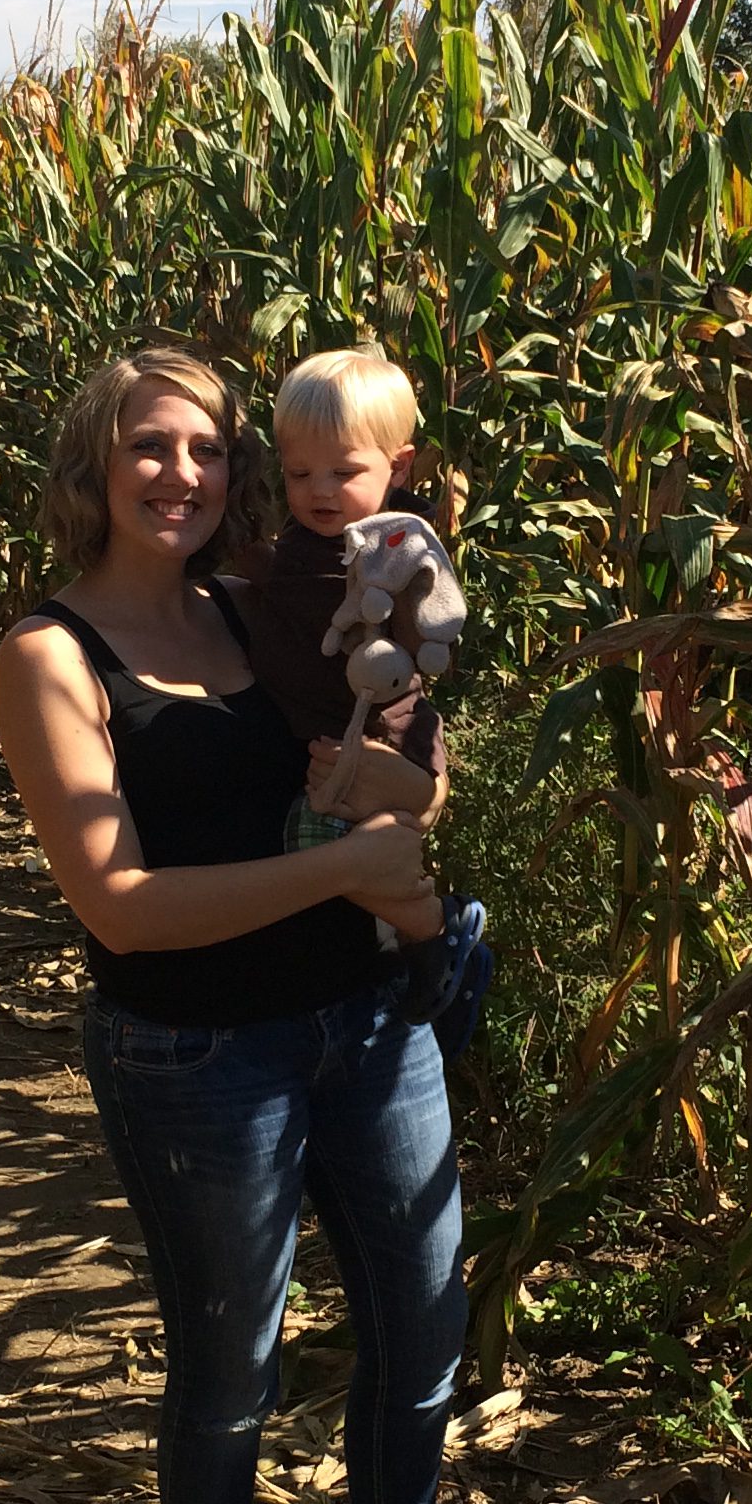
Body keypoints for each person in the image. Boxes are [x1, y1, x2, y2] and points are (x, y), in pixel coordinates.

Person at [0, 344, 540, 1504]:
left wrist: (393, 807)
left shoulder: (266, 596)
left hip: (367, 1026)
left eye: (209, 450)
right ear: (95, 467)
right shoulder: (52, 654)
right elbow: (121, 906)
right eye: (149, 448)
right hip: (197, 1055)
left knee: (421, 1331)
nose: (184, 476)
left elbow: (412, 746)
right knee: (231, 1363)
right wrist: (361, 875)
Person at [229, 347, 492, 1047]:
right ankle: (416, 941)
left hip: (384, 730)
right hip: (330, 733)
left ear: (397, 468)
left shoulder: (392, 547)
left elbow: (431, 631)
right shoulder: (311, 536)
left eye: (343, 473)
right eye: (297, 474)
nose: (318, 490)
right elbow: (279, 581)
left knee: (335, 849)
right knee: (332, 848)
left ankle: (438, 933)